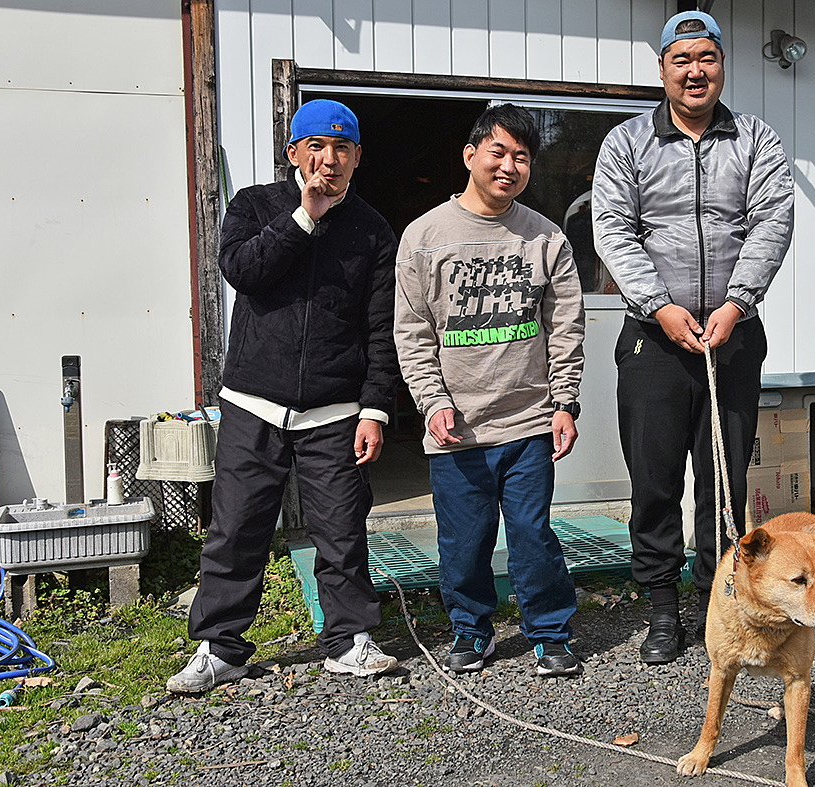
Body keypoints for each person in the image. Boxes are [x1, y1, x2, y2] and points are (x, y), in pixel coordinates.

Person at [167, 99, 401, 693]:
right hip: (253, 400)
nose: (329, 159)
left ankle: (348, 641)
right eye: (316, 147)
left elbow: (381, 326)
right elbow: (242, 270)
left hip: (335, 408)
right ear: (293, 152)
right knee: (237, 526)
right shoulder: (254, 204)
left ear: (358, 159)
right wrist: (304, 216)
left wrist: (374, 408)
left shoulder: (373, 228)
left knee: (342, 528)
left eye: (342, 149)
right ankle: (222, 647)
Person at [591, 10, 794, 664]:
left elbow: (771, 221)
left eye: (706, 57)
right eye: (681, 59)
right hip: (654, 342)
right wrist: (660, 306)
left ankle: (716, 599)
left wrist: (737, 303)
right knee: (653, 480)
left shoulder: (756, 140)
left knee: (723, 480)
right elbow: (614, 230)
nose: (695, 70)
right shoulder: (626, 143)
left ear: (722, 64)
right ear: (662, 69)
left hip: (732, 339)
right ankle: (660, 607)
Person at [395, 104, 587, 677]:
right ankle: (470, 630)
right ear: (470, 155)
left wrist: (565, 402)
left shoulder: (546, 237)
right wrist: (432, 400)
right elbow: (411, 329)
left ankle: (550, 632)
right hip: (457, 426)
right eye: (498, 153)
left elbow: (566, 325)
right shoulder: (425, 237)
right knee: (464, 541)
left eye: (522, 157)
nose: (509, 166)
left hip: (529, 420)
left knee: (532, 534)